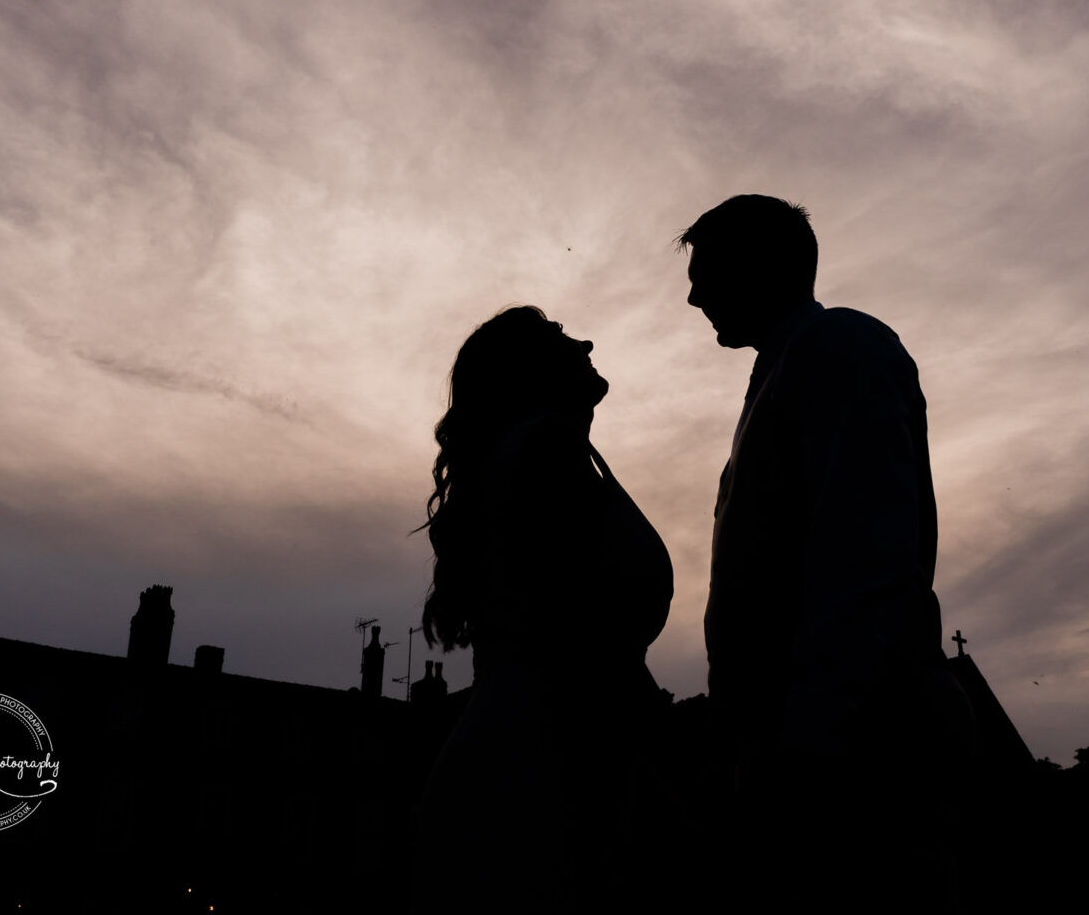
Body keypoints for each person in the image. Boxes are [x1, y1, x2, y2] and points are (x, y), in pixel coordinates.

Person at [680, 194, 974, 907]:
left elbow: (866, 549)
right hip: (804, 743)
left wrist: (813, 737)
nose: (693, 296)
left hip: (854, 755)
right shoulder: (793, 367)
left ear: (762, 268)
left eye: (706, 272)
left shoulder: (837, 347)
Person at [412, 305, 674, 910]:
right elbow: (580, 629)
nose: (585, 339)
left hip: (539, 750)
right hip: (544, 766)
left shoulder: (542, 452)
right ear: (529, 370)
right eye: (561, 339)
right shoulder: (546, 447)